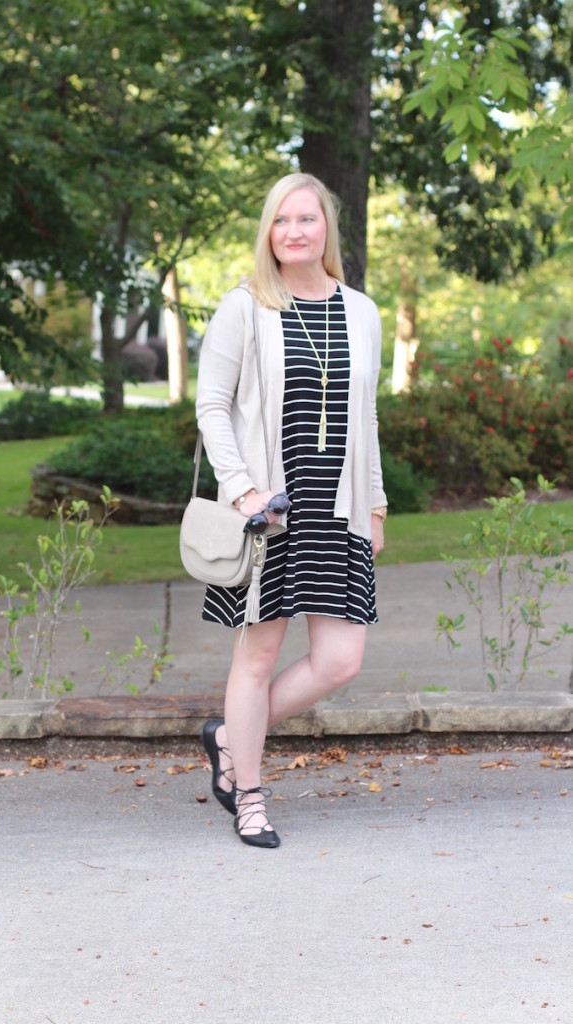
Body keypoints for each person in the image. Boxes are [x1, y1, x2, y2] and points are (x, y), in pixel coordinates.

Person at [196, 172, 387, 849]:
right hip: (272, 511)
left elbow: (365, 416)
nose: (295, 231)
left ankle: (228, 735)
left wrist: (377, 506)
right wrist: (243, 487)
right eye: (282, 220)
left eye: (306, 218)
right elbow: (211, 406)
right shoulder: (245, 307)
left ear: (327, 228)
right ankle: (248, 793)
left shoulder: (362, 312)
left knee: (341, 659)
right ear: (268, 234)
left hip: (339, 508)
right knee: (258, 657)